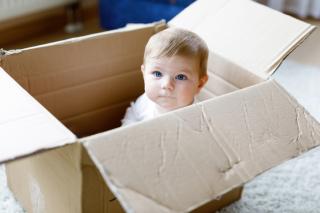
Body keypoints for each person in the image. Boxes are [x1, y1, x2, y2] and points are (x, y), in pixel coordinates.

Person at [121, 27, 209, 126]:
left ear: (199, 84)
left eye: (180, 77)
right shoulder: (145, 101)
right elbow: (133, 114)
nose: (166, 85)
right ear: (144, 74)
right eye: (157, 74)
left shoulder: (200, 121)